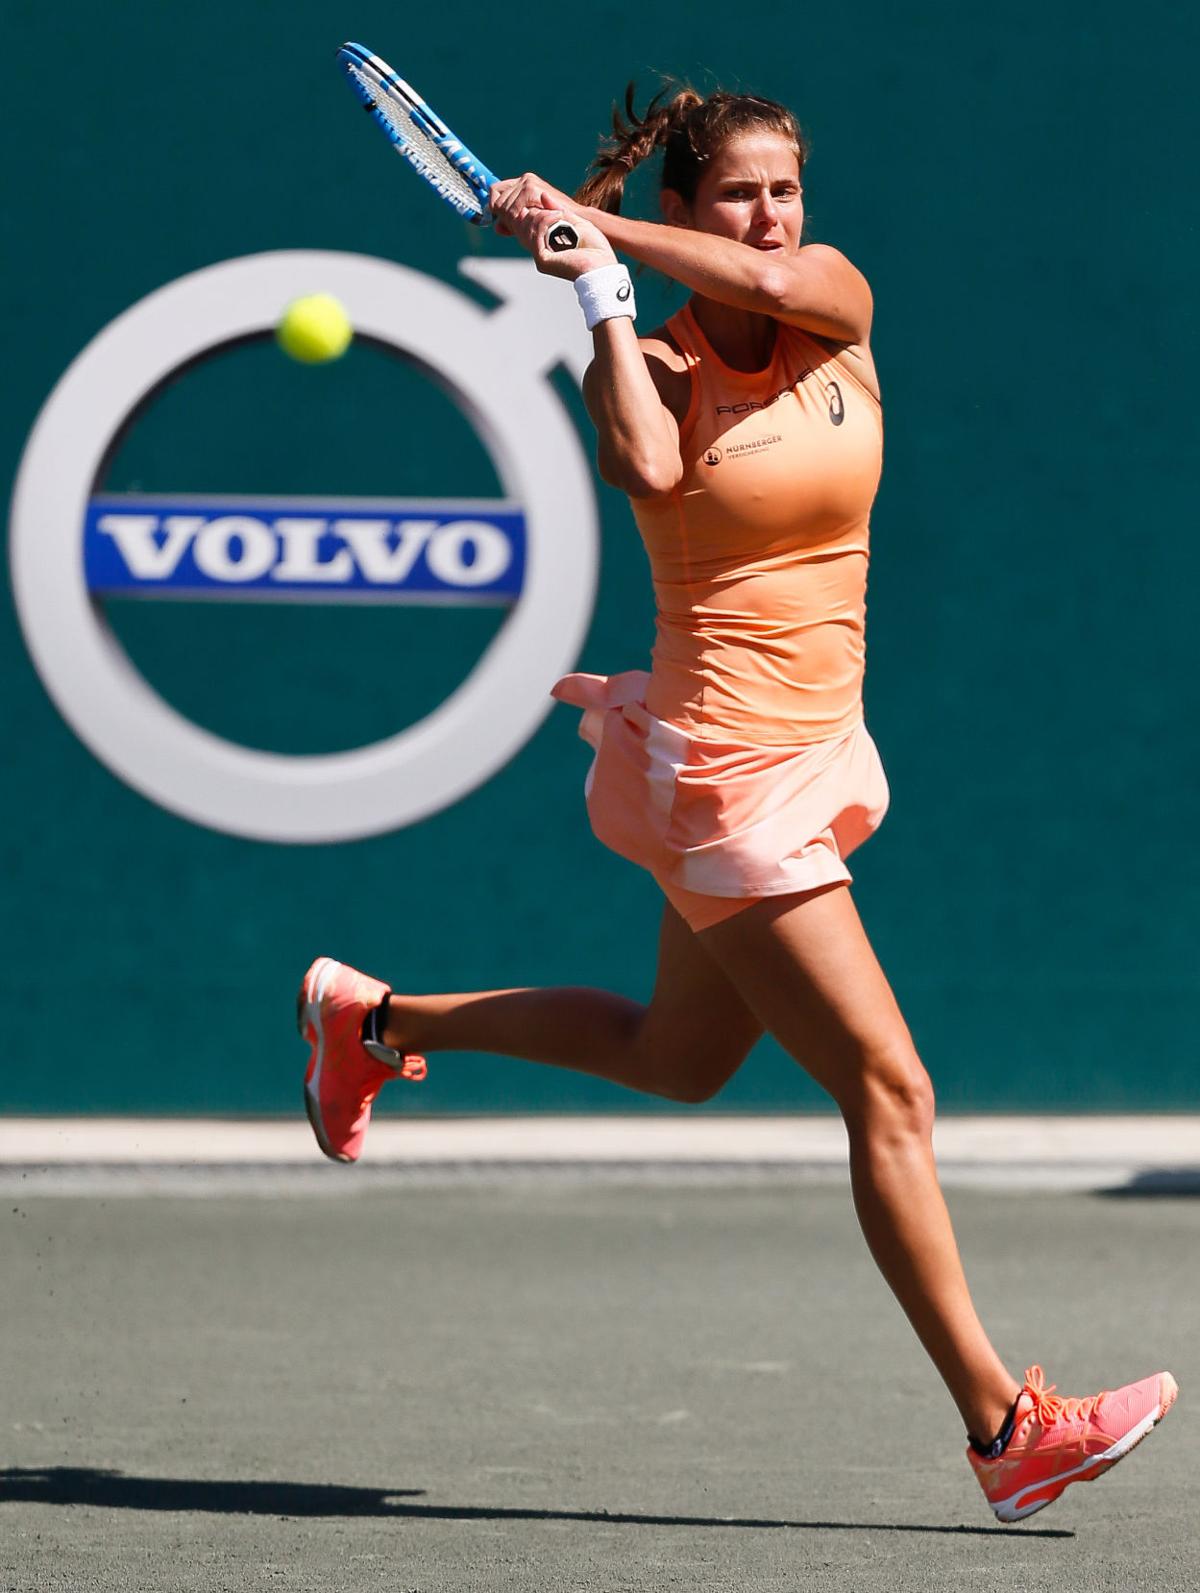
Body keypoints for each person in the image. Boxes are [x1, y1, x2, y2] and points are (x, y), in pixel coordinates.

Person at [297, 84, 1176, 1522]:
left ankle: (367, 1022)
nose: (771, 218)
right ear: (690, 205)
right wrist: (593, 297)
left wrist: (607, 224)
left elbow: (774, 283)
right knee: (892, 1088)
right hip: (724, 773)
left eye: (785, 191)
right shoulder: (646, 355)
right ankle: (1006, 1424)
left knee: (674, 1056)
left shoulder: (830, 303)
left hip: (824, 749)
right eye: (740, 194)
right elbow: (644, 463)